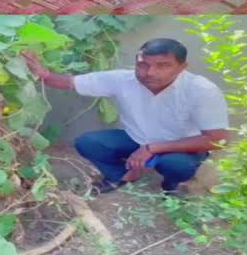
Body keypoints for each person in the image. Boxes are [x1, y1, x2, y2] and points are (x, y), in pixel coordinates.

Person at [21, 38, 230, 195]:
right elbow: (69, 82)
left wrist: (151, 149)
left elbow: (217, 139)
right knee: (88, 143)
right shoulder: (123, 79)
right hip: (136, 139)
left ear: (182, 67)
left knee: (177, 166)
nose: (149, 72)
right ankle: (121, 175)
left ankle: (170, 186)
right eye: (143, 64)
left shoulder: (201, 90)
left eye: (163, 65)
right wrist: (45, 74)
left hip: (179, 147)